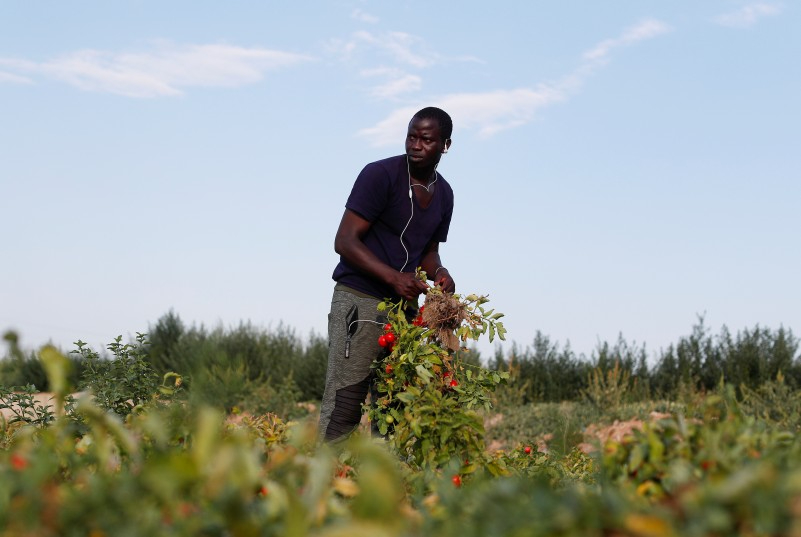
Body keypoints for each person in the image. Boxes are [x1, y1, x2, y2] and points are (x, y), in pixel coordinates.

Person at [318, 106, 457, 442]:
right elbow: (344, 240)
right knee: (346, 401)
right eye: (411, 136)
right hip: (360, 300)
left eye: (426, 139)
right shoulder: (379, 175)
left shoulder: (445, 195)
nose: (416, 145)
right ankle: (326, 485)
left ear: (445, 145)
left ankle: (385, 488)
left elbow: (427, 250)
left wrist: (439, 271)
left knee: (394, 405)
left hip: (403, 311)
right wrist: (394, 277)